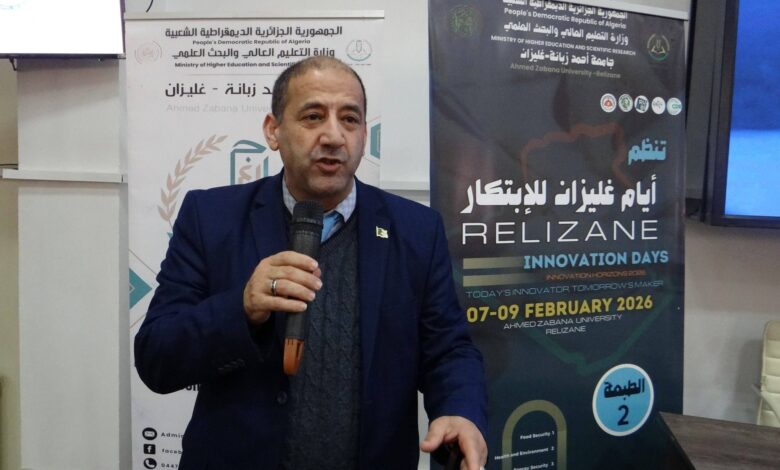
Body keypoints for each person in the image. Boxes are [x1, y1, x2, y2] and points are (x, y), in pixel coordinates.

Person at [135, 56, 487, 470]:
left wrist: (460, 410)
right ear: (273, 130)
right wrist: (242, 308)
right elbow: (157, 358)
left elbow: (448, 349)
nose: (334, 136)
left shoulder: (416, 231)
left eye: (350, 119)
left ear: (364, 134)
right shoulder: (211, 218)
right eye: (313, 116)